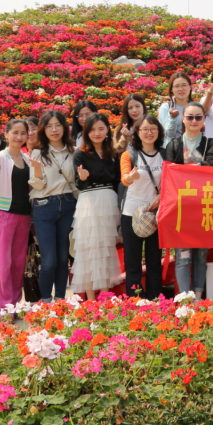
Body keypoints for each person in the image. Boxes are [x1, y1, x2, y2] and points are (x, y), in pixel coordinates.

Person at [166, 101, 213, 298]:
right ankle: (185, 300)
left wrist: (184, 169)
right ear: (183, 119)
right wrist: (198, 167)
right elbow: (168, 173)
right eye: (190, 117)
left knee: (201, 256)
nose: (194, 121)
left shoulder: (211, 143)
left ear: (204, 119)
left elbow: (211, 165)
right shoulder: (174, 144)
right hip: (181, 208)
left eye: (198, 117)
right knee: (183, 257)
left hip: (204, 205)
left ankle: (197, 298)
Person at [0, 119, 33, 310]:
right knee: (3, 262)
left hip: (24, 216)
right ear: (6, 134)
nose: (19, 136)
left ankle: (15, 305)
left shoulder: (27, 158)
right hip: (3, 214)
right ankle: (4, 307)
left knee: (18, 262)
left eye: (23, 133)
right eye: (15, 132)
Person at [69, 114, 122, 301]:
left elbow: (117, 181)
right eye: (92, 129)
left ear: (108, 129)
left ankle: (105, 297)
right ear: (86, 132)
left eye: (101, 128)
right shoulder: (80, 153)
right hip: (89, 201)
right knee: (88, 252)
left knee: (106, 249)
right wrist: (82, 178)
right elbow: (79, 184)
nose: (97, 133)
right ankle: (91, 300)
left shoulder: (113, 153)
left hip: (109, 202)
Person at [28, 111, 77, 303]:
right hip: (44, 206)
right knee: (49, 260)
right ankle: (46, 301)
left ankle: (61, 300)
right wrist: (37, 171)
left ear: (64, 127)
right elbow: (37, 186)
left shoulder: (73, 151)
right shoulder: (38, 152)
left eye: (57, 125)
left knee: (63, 257)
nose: (54, 129)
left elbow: (76, 184)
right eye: (49, 126)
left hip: (68, 205)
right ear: (43, 129)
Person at [120, 115, 165, 300]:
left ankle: (156, 301)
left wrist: (161, 197)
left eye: (153, 129)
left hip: (156, 213)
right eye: (145, 129)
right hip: (131, 213)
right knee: (133, 262)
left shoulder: (164, 154)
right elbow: (124, 178)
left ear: (159, 132)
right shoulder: (130, 155)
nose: (149, 132)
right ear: (138, 133)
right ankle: (135, 301)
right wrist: (130, 178)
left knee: (154, 261)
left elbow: (172, 181)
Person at [157, 72, 193, 148]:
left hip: (192, 148)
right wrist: (173, 118)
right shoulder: (166, 107)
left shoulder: (195, 107)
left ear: (190, 87)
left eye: (184, 85)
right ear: (171, 90)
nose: (181, 89)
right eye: (177, 86)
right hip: (173, 150)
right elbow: (169, 134)